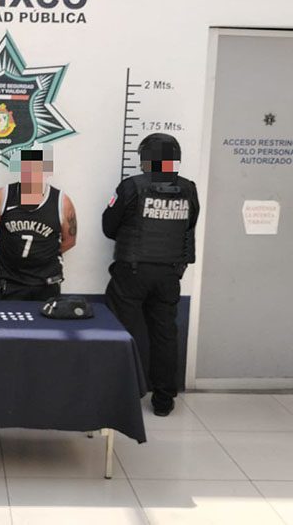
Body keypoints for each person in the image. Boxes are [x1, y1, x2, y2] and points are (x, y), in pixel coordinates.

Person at [102, 133, 199, 417]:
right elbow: (189, 225)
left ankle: (121, 393)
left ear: (146, 159)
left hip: (132, 271)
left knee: (121, 331)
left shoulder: (131, 186)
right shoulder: (189, 189)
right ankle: (164, 400)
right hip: (169, 273)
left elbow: (109, 226)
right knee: (165, 334)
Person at [0, 149, 77, 300]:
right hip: (11, 280)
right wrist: (8, 254)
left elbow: (70, 240)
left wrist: (42, 256)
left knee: (46, 315)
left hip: (46, 281)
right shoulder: (2, 196)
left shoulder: (61, 202)